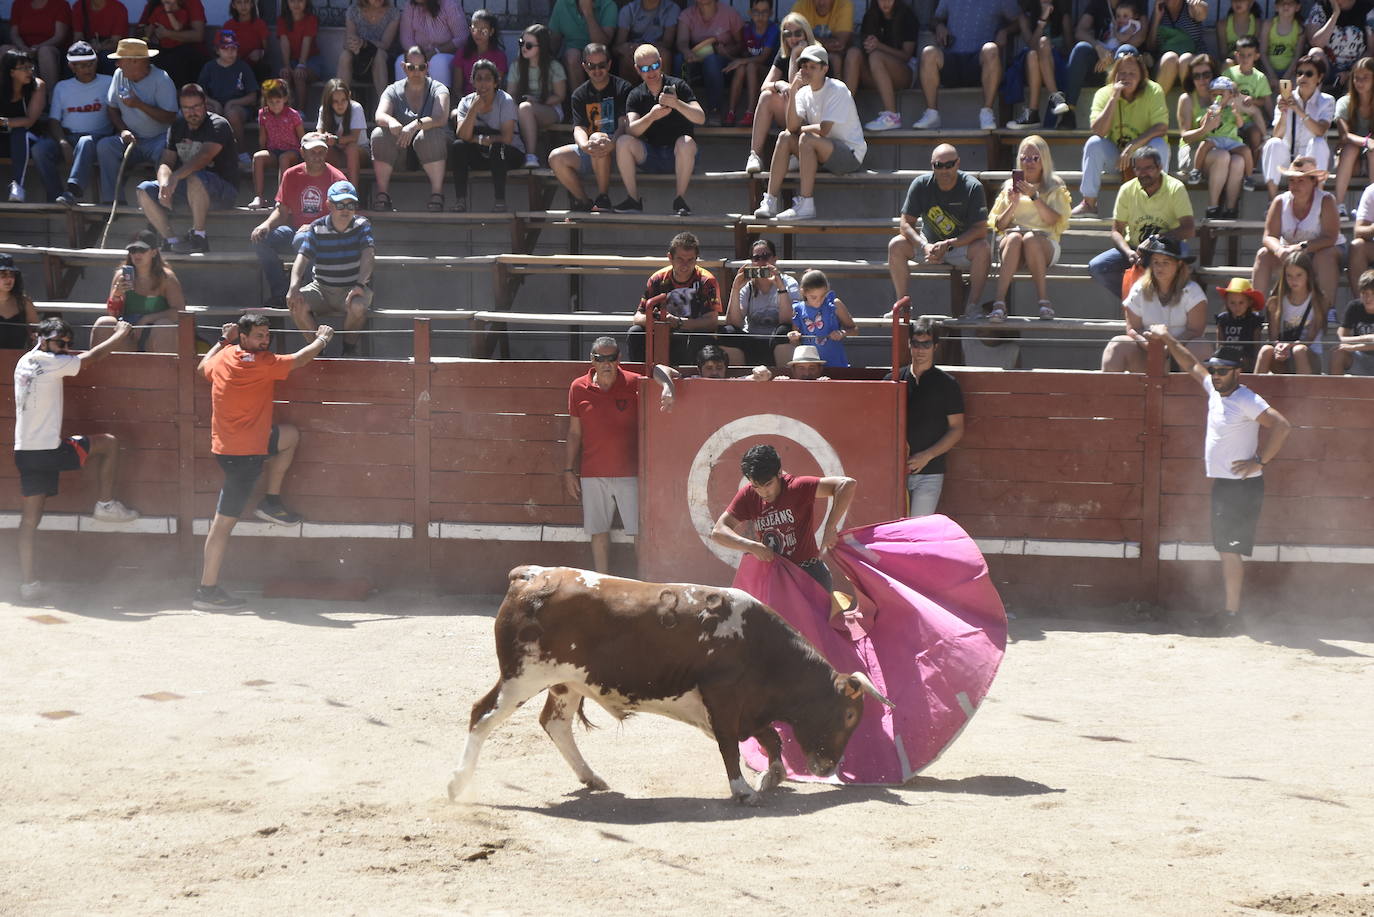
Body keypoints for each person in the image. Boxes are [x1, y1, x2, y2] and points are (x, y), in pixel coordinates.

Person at [1142, 331, 1291, 634]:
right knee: (1226, 549)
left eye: (1223, 370)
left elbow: (1282, 425)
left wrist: (1260, 461)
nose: (1216, 375)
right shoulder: (1215, 389)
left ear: (1237, 371)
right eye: (1215, 370)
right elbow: (1190, 364)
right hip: (1226, 486)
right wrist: (1168, 338)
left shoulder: (1246, 398)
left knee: (1228, 550)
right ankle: (1230, 611)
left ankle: (1232, 614)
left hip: (1241, 487)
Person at [195, 313, 334, 610]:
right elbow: (298, 359)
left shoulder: (225, 356)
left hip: (231, 447)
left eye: (266, 335)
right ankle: (207, 592)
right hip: (244, 457)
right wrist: (322, 338)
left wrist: (222, 340)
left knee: (289, 436)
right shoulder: (261, 363)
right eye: (259, 335)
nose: (265, 339)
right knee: (221, 528)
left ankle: (271, 501)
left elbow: (200, 367)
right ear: (244, 337)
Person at [12, 316, 140, 602]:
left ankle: (28, 584)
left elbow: (70, 356)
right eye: (60, 343)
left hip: (25, 451)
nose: (64, 348)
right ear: (43, 340)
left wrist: (61, 348)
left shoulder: (26, 360)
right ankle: (105, 504)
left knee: (30, 521)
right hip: (48, 450)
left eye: (68, 344)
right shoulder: (51, 361)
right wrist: (120, 334)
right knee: (108, 444)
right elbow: (93, 357)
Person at [710, 443, 856, 592]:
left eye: (768, 484)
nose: (763, 492)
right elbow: (718, 531)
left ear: (779, 473)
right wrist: (751, 546)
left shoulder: (796, 487)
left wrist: (831, 527)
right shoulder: (748, 494)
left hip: (809, 574)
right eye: (756, 486)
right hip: (774, 577)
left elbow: (846, 485)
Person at [751, 45, 864, 222]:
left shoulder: (838, 89)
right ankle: (769, 201)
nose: (806, 71)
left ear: (824, 69)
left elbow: (824, 129)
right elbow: (791, 126)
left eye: (812, 67)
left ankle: (806, 204)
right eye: (804, 66)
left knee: (805, 138)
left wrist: (799, 131)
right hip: (821, 151)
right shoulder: (803, 92)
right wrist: (794, 88)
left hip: (850, 155)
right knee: (784, 137)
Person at [887, 143, 992, 321]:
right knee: (896, 244)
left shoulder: (973, 187)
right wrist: (924, 245)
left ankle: (972, 307)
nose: (944, 170)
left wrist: (950, 244)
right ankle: (902, 306)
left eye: (949, 165)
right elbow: (906, 223)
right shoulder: (921, 184)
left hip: (960, 247)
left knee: (983, 248)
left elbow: (981, 229)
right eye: (939, 165)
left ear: (958, 164)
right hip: (928, 246)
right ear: (932, 165)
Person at [564, 336, 641, 574]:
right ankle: (601, 583)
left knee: (640, 532)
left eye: (611, 358)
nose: (606, 363)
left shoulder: (636, 382)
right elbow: (575, 433)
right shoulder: (578, 387)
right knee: (598, 531)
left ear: (619, 359)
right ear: (592, 360)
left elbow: (662, 374)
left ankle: (644, 580)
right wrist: (568, 470)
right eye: (601, 358)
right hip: (592, 471)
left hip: (631, 473)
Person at [135, 82, 238, 254]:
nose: (192, 112)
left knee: (194, 176)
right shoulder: (177, 126)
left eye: (196, 107)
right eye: (186, 108)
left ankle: (199, 236)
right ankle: (171, 240)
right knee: (143, 190)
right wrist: (164, 183)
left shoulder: (219, 124)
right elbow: (166, 161)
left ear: (205, 105)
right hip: (187, 189)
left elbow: (204, 157)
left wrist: (174, 177)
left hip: (223, 190)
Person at [1071, 45, 1169, 217]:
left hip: (1143, 155)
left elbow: (1161, 127)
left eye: (1132, 73)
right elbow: (1099, 131)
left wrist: (1133, 147)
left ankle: (1158, 201)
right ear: (1114, 73)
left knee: (1159, 144)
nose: (1126, 77)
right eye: (1122, 72)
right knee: (1093, 144)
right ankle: (1089, 203)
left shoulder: (1153, 90)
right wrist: (1114, 98)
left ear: (1141, 75)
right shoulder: (1104, 93)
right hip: (1117, 159)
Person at [251, 131, 345, 307]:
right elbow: (282, 210)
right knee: (260, 238)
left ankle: (309, 294)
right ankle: (280, 293)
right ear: (302, 152)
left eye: (321, 152)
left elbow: (342, 217)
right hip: (295, 230)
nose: (317, 156)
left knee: (302, 239)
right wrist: (265, 225)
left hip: (326, 234)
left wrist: (313, 226)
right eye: (313, 152)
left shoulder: (337, 178)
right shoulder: (291, 175)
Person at [1088, 145, 1194, 301]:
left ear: (1160, 167)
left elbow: (1189, 229)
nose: (1143, 173)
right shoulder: (1127, 189)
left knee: (1180, 262)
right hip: (1135, 250)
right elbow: (1116, 231)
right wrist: (1128, 252)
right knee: (1098, 266)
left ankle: (1158, 304)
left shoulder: (1175, 188)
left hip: (1168, 249)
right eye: (1138, 169)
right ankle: (1136, 302)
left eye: (1148, 168)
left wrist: (1155, 240)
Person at [884, 317, 964, 517]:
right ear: (909, 344)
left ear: (935, 346)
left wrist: (927, 456)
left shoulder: (948, 384)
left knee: (917, 531)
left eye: (926, 344)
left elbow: (957, 429)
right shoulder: (892, 380)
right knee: (893, 530)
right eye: (916, 344)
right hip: (894, 470)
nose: (920, 350)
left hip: (930, 471)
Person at [987, 133, 1071, 320]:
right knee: (1016, 238)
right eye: (1024, 158)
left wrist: (1035, 197)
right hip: (1013, 244)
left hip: (1044, 243)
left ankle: (1043, 302)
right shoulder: (1010, 186)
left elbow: (1053, 221)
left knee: (1031, 239)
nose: (1029, 163)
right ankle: (999, 303)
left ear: (1044, 160)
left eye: (1035, 158)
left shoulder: (1054, 186)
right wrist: (1013, 204)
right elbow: (999, 225)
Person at [288, 180, 374, 357]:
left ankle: (348, 350)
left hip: (351, 287)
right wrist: (293, 287)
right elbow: (302, 259)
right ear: (329, 205)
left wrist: (360, 284)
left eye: (351, 204)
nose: (345, 209)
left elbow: (368, 255)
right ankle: (318, 352)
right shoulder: (317, 227)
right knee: (295, 303)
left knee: (359, 306)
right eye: (340, 204)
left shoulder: (362, 225)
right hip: (321, 287)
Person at [616, 44, 704, 216]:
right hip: (652, 155)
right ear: (637, 69)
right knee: (623, 141)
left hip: (681, 155)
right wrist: (651, 116)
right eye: (645, 68)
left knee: (685, 142)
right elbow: (632, 131)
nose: (651, 72)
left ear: (661, 63)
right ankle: (633, 200)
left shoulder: (678, 86)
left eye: (655, 66)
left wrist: (677, 103)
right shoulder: (635, 95)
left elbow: (700, 117)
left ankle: (680, 200)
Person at [1101, 235, 1209, 372]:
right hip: (1147, 353)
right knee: (1117, 344)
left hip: (1182, 355)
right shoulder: (1138, 288)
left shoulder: (1193, 291)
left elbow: (1195, 330)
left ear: (1179, 264)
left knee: (1201, 345)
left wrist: (1169, 347)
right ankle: (1107, 393)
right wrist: (1152, 347)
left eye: (1166, 262)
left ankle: (1195, 393)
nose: (1159, 267)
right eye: (1156, 262)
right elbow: (1133, 329)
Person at [913, 0, 1024, 131]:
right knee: (928, 53)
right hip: (952, 60)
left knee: (991, 49)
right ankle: (932, 113)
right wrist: (939, 26)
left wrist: (1005, 30)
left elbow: (1021, 20)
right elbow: (934, 19)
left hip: (979, 62)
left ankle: (987, 112)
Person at [1252, 156, 1343, 310]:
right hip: (1290, 253)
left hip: (1322, 251)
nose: (1295, 185)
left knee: (1325, 256)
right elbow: (1268, 236)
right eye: (1292, 180)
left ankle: (1327, 310)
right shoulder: (1280, 201)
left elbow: (1330, 238)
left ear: (1314, 181)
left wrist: (1300, 248)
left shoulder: (1326, 200)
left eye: (1301, 180)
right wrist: (1279, 250)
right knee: (1263, 255)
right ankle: (1255, 311)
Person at [550, 42, 631, 212]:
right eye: (591, 66)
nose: (597, 70)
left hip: (618, 150)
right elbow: (579, 127)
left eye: (601, 65)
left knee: (597, 138)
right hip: (592, 148)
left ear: (609, 64)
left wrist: (613, 142)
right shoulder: (579, 94)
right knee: (555, 157)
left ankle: (603, 197)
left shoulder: (622, 88)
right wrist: (583, 145)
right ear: (584, 67)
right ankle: (584, 201)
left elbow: (625, 122)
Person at [371, 45, 452, 212]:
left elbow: (441, 118)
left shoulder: (439, 88)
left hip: (434, 150)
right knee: (379, 134)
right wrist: (391, 121)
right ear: (403, 67)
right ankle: (382, 193)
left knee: (430, 135)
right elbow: (380, 115)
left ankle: (437, 193)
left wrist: (415, 125)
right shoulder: (392, 89)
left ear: (427, 67)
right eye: (411, 67)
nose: (416, 72)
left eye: (421, 67)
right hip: (402, 151)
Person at [96, 38, 176, 205]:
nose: (116, 64)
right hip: (131, 139)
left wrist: (139, 104)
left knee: (166, 153)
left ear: (134, 61)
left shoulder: (162, 79)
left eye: (119, 60)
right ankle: (113, 202)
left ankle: (161, 203)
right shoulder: (119, 75)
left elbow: (170, 117)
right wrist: (123, 130)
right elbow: (111, 108)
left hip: (159, 139)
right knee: (105, 146)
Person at [35, 42, 113, 205]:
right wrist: (63, 143)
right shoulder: (62, 87)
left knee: (85, 142)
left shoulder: (109, 82)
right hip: (69, 137)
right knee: (39, 149)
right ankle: (55, 198)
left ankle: (72, 191)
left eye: (91, 63)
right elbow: (54, 120)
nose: (87, 68)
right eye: (81, 65)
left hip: (99, 138)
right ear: (71, 66)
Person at [626, 230, 719, 363]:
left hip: (691, 336)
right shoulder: (657, 279)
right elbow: (638, 317)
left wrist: (679, 322)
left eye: (690, 260)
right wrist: (657, 319)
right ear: (670, 257)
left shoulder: (707, 281)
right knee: (635, 332)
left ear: (697, 259)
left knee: (701, 337)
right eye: (680, 259)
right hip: (661, 333)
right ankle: (640, 376)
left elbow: (711, 322)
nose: (685, 265)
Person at [742, 13, 816, 174]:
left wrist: (795, 55)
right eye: (788, 34)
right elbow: (765, 86)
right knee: (766, 96)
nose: (793, 38)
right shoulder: (783, 53)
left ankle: (798, 152)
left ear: (806, 33)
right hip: (792, 114)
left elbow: (797, 86)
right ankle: (754, 155)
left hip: (813, 118)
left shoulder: (816, 53)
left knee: (793, 94)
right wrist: (779, 84)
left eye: (798, 33)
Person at [1179, 70, 1256, 220]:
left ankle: (1247, 179)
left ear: (1230, 95)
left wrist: (1237, 113)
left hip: (1230, 141)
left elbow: (1240, 125)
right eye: (1214, 94)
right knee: (1206, 145)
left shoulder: (1233, 109)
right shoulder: (1209, 109)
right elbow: (1203, 125)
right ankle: (1197, 170)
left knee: (1244, 153)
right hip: (1215, 142)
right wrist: (1210, 115)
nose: (1218, 97)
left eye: (1222, 94)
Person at [92, 229, 184, 352]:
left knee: (164, 326)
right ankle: (97, 369)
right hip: (126, 330)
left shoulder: (166, 278)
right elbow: (113, 315)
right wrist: (116, 296)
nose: (137, 254)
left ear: (154, 252)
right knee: (104, 323)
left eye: (142, 250)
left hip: (154, 331)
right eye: (133, 250)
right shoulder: (121, 276)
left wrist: (146, 319)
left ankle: (164, 370)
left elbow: (179, 312)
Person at [450, 58, 523, 212]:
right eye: (479, 79)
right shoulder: (465, 102)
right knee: (458, 147)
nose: (483, 84)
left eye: (488, 79)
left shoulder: (505, 101)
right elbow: (462, 136)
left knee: (497, 148)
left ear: (496, 82)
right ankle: (460, 200)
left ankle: (500, 201)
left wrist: (478, 139)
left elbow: (507, 138)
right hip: (481, 154)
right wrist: (473, 110)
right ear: (473, 82)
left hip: (508, 153)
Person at [1261, 53, 1334, 197]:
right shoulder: (1285, 97)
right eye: (1299, 73)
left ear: (1319, 78)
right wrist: (1284, 113)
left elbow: (1320, 131)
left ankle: (1318, 197)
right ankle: (1272, 200)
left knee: (1318, 142)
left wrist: (1299, 111)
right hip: (1287, 155)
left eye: (1308, 73)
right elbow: (1277, 134)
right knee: (1273, 143)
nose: (1303, 77)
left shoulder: (1327, 101)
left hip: (1310, 157)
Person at [721, 238, 796, 367]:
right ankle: (738, 380)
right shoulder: (747, 287)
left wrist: (781, 288)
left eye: (766, 256)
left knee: (784, 331)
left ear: (775, 259)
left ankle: (786, 377)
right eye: (756, 258)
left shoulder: (789, 283)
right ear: (752, 262)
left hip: (777, 342)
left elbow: (789, 321)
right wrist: (735, 288)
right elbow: (733, 323)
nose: (762, 262)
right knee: (728, 331)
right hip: (753, 342)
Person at [1003, 0, 1075, 130]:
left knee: (1044, 43)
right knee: (1032, 53)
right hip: (1031, 69)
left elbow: (1070, 50)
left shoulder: (1063, 17)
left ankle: (1033, 112)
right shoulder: (1024, 17)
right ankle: (1055, 98)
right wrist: (1042, 20)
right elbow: (1031, 44)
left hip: (1055, 65)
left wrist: (1050, 50)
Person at [1255, 250, 1327, 374]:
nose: (1294, 280)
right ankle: (1254, 391)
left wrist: (1290, 346)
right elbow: (1273, 337)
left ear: (1308, 275)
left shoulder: (1319, 301)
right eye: (1289, 275)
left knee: (1299, 350)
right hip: (1283, 355)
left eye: (1299, 275)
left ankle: (1303, 393)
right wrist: (1279, 347)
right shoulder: (1275, 302)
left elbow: (1310, 339)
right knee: (1266, 350)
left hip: (1308, 355)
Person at [675, 0, 744, 125]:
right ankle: (681, 109)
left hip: (723, 65)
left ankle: (715, 110)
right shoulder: (687, 14)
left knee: (712, 61)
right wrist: (687, 52)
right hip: (696, 62)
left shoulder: (729, 13)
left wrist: (726, 50)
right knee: (679, 60)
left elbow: (741, 44)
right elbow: (682, 42)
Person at [854, 0, 919, 132]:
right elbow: (866, 50)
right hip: (876, 74)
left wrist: (879, 46)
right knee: (853, 54)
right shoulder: (870, 16)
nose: (885, 3)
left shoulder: (907, 16)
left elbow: (906, 55)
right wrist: (869, 44)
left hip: (905, 72)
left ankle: (892, 116)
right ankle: (842, 112)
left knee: (876, 56)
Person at [509, 24, 568, 169]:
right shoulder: (516, 66)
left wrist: (538, 101)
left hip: (550, 109)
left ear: (541, 47)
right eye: (521, 43)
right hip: (524, 109)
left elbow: (560, 96)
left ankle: (530, 155)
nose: (524, 48)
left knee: (525, 108)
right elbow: (510, 95)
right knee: (521, 108)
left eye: (529, 45)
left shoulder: (554, 66)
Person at [197, 30, 257, 160]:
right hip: (215, 104)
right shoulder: (209, 67)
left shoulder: (243, 67)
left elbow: (252, 97)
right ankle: (209, 154)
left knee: (232, 114)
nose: (230, 52)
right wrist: (213, 103)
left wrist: (233, 103)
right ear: (217, 50)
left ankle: (242, 152)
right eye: (225, 48)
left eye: (233, 48)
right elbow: (200, 93)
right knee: (206, 112)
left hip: (239, 107)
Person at [249, 79, 304, 209]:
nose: (274, 105)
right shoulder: (263, 114)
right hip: (273, 151)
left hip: (292, 152)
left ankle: (282, 198)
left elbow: (302, 138)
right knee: (258, 157)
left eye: (278, 101)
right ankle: (259, 197)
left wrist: (303, 156)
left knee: (284, 158)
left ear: (285, 99)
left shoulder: (293, 115)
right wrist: (264, 150)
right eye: (271, 102)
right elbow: (263, 137)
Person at [1, 49, 48, 202]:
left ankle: (18, 187)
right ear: (11, 72)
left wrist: (3, 122)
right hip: (4, 136)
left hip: (30, 137)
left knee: (19, 132)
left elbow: (29, 121)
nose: (29, 71)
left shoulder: (38, 86)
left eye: (30, 67)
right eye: (24, 68)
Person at [724, 0, 778, 127]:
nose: (760, 16)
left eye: (764, 12)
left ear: (771, 13)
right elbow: (744, 54)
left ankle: (751, 112)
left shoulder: (773, 30)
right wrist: (726, 55)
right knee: (742, 68)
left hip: (768, 73)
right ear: (750, 13)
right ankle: (731, 112)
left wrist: (741, 61)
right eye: (756, 12)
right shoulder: (747, 29)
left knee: (750, 66)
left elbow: (763, 58)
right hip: (750, 70)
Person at [1332, 56, 1374, 218]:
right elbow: (1345, 135)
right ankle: (1338, 205)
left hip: (1372, 157)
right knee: (1350, 147)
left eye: (1366, 78)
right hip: (1351, 160)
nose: (1360, 82)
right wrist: (1366, 141)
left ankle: (1372, 208)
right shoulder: (1344, 102)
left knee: (1373, 152)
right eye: (1357, 77)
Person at [787, 268, 855, 366]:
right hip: (810, 366)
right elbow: (796, 343)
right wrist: (793, 337)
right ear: (803, 292)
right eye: (813, 297)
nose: (819, 301)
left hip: (835, 363)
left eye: (823, 296)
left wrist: (842, 333)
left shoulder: (834, 305)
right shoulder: (798, 309)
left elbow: (854, 329)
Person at [1224, 36, 1273, 166]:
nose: (1245, 59)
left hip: (1248, 120)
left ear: (1256, 56)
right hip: (1230, 117)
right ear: (1236, 55)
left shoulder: (1260, 77)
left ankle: (1252, 169)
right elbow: (1218, 91)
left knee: (1255, 134)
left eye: (1249, 55)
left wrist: (1253, 100)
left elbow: (1263, 101)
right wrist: (1229, 85)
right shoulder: (1229, 73)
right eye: (1242, 55)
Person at [396, 0, 467, 89]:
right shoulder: (410, 6)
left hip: (446, 54)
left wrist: (436, 51)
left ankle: (441, 99)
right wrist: (419, 57)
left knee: (438, 61)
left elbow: (462, 37)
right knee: (401, 61)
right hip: (419, 54)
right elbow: (406, 39)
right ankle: (406, 100)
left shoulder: (449, 4)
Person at [548, 0, 618, 90]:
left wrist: (588, 12)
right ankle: (579, 101)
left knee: (596, 57)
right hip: (571, 56)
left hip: (598, 54)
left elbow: (601, 44)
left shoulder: (608, 5)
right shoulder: (562, 3)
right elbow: (554, 40)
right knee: (573, 56)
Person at [1, 0, 70, 88]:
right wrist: (23, 48)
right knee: (5, 50)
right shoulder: (18, 4)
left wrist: (37, 48)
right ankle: (5, 95)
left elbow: (59, 36)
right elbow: (14, 34)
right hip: (23, 48)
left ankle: (51, 96)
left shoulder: (61, 4)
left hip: (50, 48)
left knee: (45, 52)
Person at [1145, 0, 1207, 95]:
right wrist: (1156, 18)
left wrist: (1201, 6)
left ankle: (1191, 104)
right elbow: (1150, 46)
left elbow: (1203, 12)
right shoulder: (1159, 10)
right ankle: (1156, 105)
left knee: (1185, 59)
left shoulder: (1191, 7)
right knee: (1170, 58)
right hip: (1165, 67)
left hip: (1192, 62)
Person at [141, 0, 207, 89]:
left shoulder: (191, 3)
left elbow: (198, 36)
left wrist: (167, 33)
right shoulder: (155, 5)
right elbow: (143, 28)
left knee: (177, 59)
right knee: (140, 56)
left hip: (185, 52)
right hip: (160, 49)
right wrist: (147, 36)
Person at [1305, 0, 1369, 91]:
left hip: (1356, 69)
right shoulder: (1322, 6)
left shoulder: (1367, 8)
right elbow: (1315, 43)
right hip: (1326, 68)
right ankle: (1315, 96)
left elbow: (1371, 50)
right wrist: (1335, 14)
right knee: (1315, 52)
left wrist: (1350, 73)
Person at [341, 0, 400, 97]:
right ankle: (340, 100)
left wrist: (364, 43)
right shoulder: (353, 11)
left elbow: (385, 44)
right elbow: (348, 40)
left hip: (384, 64)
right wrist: (353, 44)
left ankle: (384, 104)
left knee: (379, 54)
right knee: (345, 55)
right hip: (360, 64)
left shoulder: (393, 13)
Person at [316, 78, 368, 185]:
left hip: (359, 153)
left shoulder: (356, 108)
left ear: (349, 96)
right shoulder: (324, 110)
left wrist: (335, 140)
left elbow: (354, 138)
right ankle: (328, 193)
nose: (340, 105)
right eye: (335, 101)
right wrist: (325, 137)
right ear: (329, 101)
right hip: (337, 152)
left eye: (343, 100)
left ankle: (353, 195)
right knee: (324, 150)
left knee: (351, 148)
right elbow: (319, 134)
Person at [789, 0, 855, 81]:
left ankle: (841, 92)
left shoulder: (844, 3)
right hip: (808, 53)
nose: (821, 3)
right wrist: (824, 43)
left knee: (837, 58)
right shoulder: (801, 5)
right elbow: (794, 35)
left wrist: (812, 39)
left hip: (836, 55)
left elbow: (840, 43)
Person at [614, 0, 679, 82]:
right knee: (626, 58)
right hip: (634, 51)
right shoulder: (628, 10)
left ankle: (664, 91)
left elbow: (668, 43)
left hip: (658, 49)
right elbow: (618, 45)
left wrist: (646, 50)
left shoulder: (671, 8)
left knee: (665, 55)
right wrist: (627, 48)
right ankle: (628, 93)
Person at [278, 0, 323, 111]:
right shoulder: (282, 20)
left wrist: (301, 64)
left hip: (311, 60)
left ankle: (300, 112)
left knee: (299, 74)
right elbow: (284, 43)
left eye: (300, 1)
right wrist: (287, 65)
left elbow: (306, 42)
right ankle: (287, 112)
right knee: (285, 75)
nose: (296, 4)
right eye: (292, 1)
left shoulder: (311, 19)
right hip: (292, 60)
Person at [1213, 277, 1266, 372]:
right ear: (1226, 302)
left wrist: (1253, 363)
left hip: (1247, 361)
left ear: (1249, 302)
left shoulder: (1254, 321)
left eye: (1241, 303)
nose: (1237, 307)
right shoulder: (1222, 319)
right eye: (1232, 303)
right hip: (1227, 360)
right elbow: (1219, 344)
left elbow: (1256, 346)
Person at [1331, 268, 1374, 374]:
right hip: (1359, 357)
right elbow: (1340, 337)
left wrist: (1354, 346)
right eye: (1365, 293)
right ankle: (1333, 390)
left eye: (1373, 293)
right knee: (1338, 353)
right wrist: (1369, 338)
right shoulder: (1354, 306)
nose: (1368, 298)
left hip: (1357, 349)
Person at [453, 9, 505, 96]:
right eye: (475, 30)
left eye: (484, 31)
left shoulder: (499, 57)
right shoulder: (462, 53)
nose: (478, 34)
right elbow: (457, 88)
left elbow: (497, 87)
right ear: (470, 29)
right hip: (466, 101)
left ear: (491, 32)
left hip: (491, 102)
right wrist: (465, 104)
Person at [71, 0, 131, 75]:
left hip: (109, 50)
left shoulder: (118, 8)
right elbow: (77, 38)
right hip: (87, 48)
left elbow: (116, 42)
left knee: (106, 58)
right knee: (73, 59)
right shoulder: (79, 6)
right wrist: (89, 48)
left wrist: (98, 47)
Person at [1261, 0, 1305, 95]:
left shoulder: (1299, 29)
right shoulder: (1269, 25)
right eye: (1282, 2)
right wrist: (1272, 75)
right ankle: (1267, 109)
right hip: (1269, 69)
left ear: (1297, 7)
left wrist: (1286, 77)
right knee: (1262, 82)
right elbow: (1263, 52)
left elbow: (1297, 57)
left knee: (1292, 86)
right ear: (1276, 7)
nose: (1286, 5)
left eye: (1290, 3)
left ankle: (1286, 109)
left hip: (1289, 71)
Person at [221, 0, 269, 82]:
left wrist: (261, 53)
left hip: (254, 66)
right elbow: (223, 49)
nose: (243, 6)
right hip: (234, 64)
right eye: (239, 2)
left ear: (251, 4)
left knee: (263, 68)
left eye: (246, 2)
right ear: (233, 5)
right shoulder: (228, 25)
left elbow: (267, 49)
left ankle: (257, 94)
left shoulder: (260, 24)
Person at [0, 253, 40, 350]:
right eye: (3, 274)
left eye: (11, 274)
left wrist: (35, 336)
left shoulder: (24, 303)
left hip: (17, 361)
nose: (9, 279)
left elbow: (37, 332)